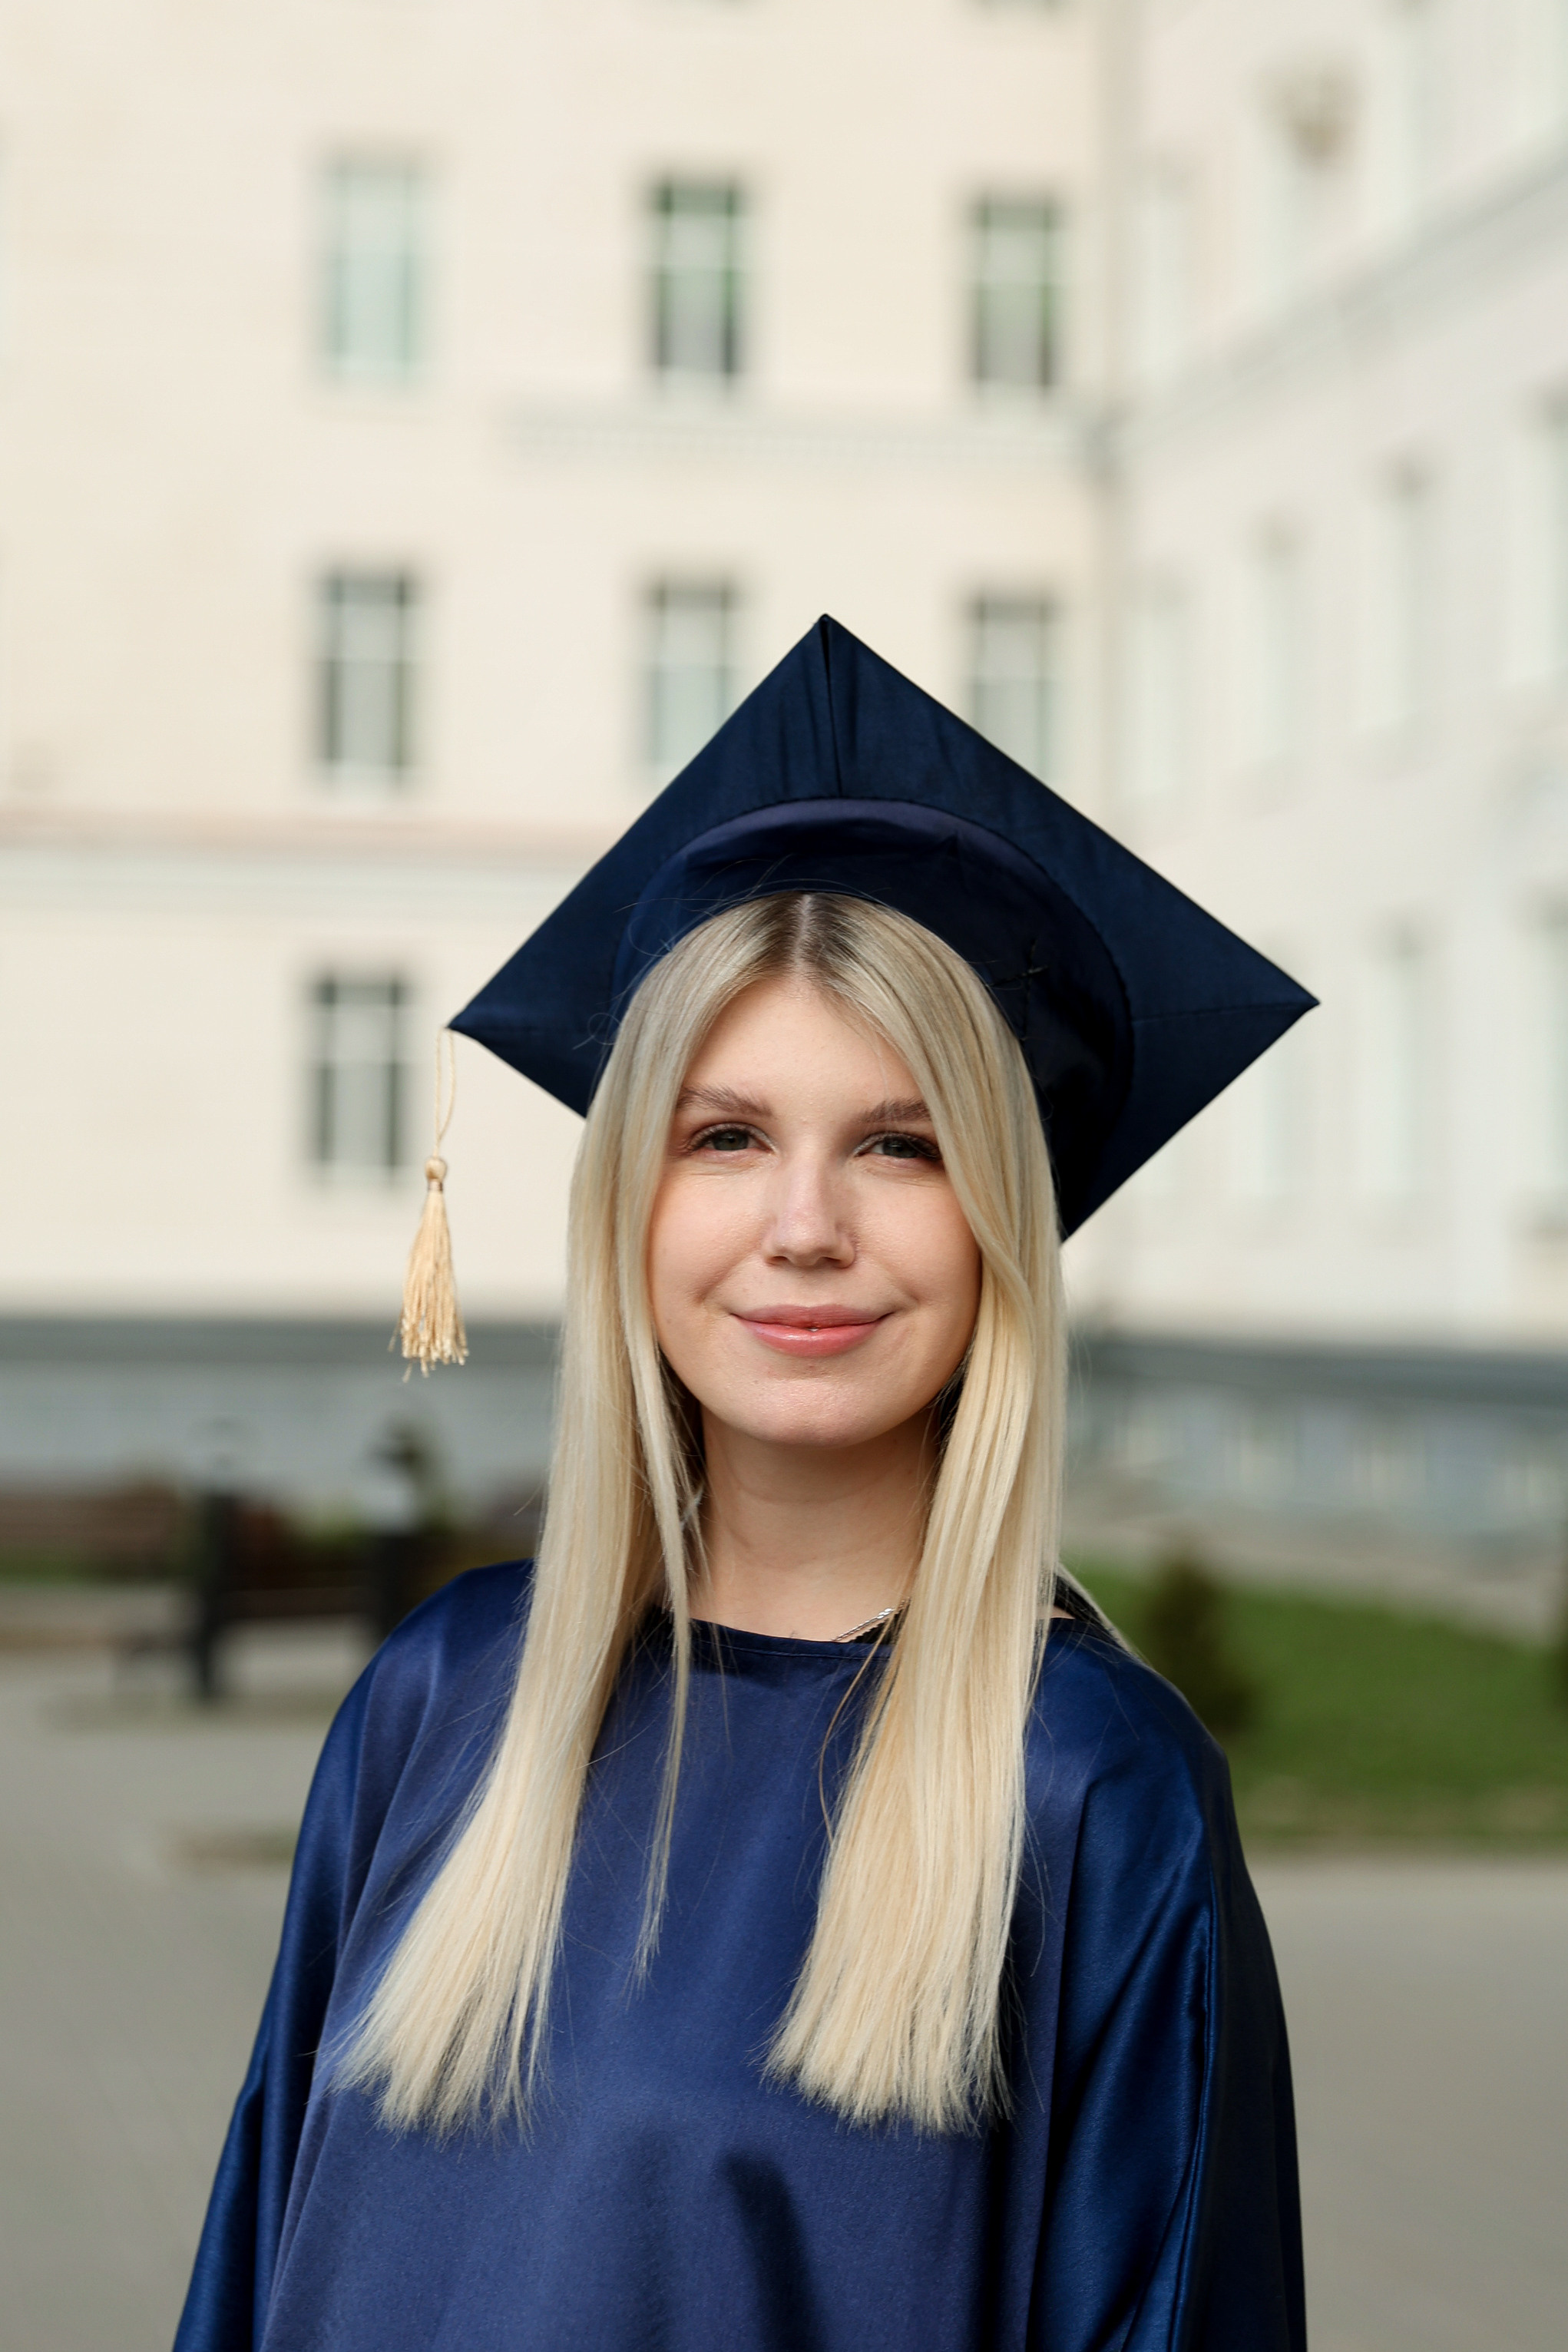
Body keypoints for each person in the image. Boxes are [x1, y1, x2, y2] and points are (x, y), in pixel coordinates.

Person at [176, 619, 1311, 2351]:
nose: (802, 1225)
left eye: (899, 1144)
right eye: (725, 1137)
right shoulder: (441, 1699)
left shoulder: (1087, 1792)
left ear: (998, 1224)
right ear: (630, 1203)